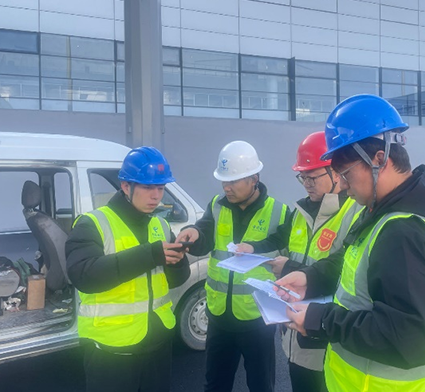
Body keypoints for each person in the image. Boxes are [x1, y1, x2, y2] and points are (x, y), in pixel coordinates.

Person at [276, 95, 425, 392]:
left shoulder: (405, 233)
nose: (344, 185)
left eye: (346, 174)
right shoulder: (382, 209)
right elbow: (351, 258)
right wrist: (311, 278)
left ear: (379, 158)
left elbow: (410, 339)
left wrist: (322, 320)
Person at [237, 131, 362, 392]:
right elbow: (279, 238)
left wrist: (290, 269)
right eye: (302, 177)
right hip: (294, 334)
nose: (306, 184)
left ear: (336, 172)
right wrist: (253, 248)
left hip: (327, 338)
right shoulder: (301, 212)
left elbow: (344, 271)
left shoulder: (354, 213)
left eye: (312, 176)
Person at [66, 146, 190, 392]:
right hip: (111, 351)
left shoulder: (160, 225)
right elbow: (84, 276)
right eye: (147, 187)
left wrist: (178, 262)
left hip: (158, 344)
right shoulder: (93, 223)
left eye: (160, 188)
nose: (156, 196)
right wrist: (150, 255)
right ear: (125, 186)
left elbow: (177, 280)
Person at [175, 141, 289, 392]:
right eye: (223, 181)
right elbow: (204, 233)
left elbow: (287, 252)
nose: (226, 187)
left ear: (254, 179)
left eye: (233, 181)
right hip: (219, 318)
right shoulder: (216, 205)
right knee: (215, 384)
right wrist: (193, 232)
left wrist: (254, 248)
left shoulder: (280, 212)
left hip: (258, 318)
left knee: (261, 385)